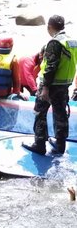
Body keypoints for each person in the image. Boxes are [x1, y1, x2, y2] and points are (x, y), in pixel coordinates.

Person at [22, 15, 77, 155]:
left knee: (40, 112)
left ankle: (39, 144)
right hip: (64, 84)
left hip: (51, 84)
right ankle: (60, 145)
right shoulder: (72, 41)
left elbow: (51, 67)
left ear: (49, 27)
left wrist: (45, 87)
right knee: (60, 114)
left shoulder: (55, 43)